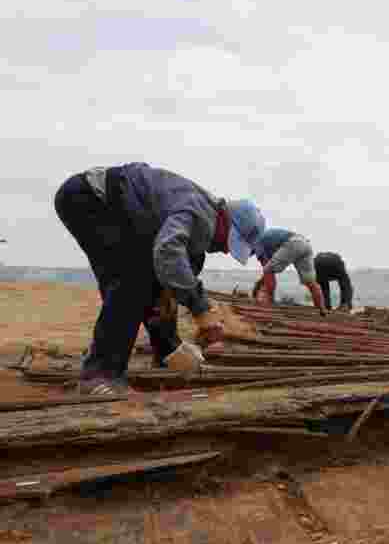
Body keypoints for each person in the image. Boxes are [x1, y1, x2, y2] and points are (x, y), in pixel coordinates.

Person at [54, 162, 267, 395]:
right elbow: (167, 253)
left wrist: (172, 333)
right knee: (131, 281)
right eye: (230, 243)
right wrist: (200, 308)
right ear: (226, 222)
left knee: (156, 282)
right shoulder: (197, 211)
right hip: (91, 199)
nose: (227, 251)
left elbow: (171, 278)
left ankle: (165, 353)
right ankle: (99, 374)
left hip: (103, 203)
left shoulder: (199, 224)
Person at [250, 227, 328, 315]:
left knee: (268, 270)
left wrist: (257, 287)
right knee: (310, 281)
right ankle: (321, 309)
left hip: (292, 243)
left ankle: (270, 302)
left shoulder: (257, 244)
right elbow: (269, 271)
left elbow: (267, 270)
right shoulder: (265, 238)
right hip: (304, 243)